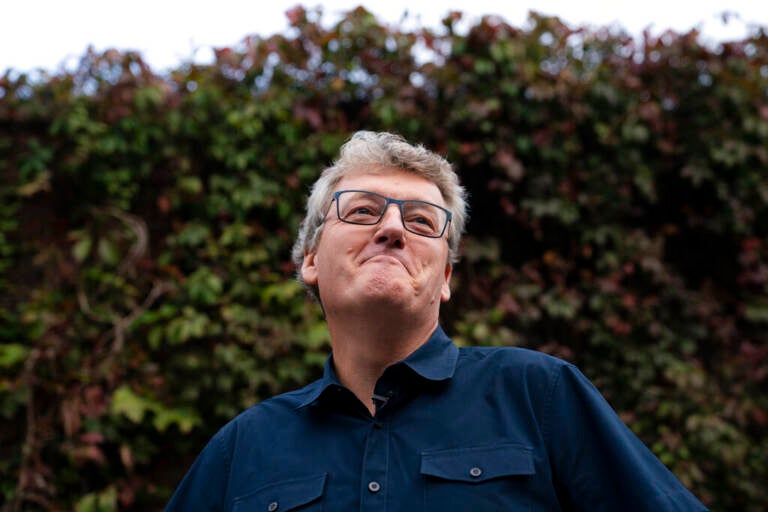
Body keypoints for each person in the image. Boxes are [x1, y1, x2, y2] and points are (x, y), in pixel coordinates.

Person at [165, 131, 707, 511]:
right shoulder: (242, 450)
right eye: (361, 212)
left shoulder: (539, 397)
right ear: (310, 260)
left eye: (422, 221)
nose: (393, 229)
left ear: (445, 277)